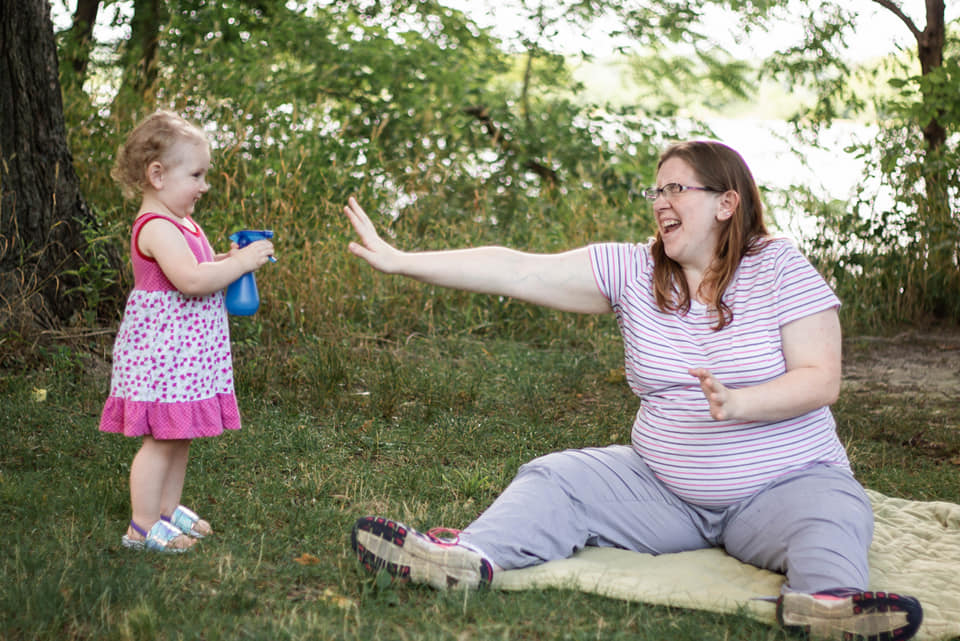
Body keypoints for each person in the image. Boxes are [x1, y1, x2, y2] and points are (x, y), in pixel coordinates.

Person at [343, 140, 923, 641]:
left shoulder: (779, 267)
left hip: (783, 485)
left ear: (727, 203)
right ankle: (463, 559)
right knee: (557, 476)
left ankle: (828, 608)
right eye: (655, 191)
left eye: (676, 188)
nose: (660, 203)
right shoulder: (630, 270)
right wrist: (401, 262)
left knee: (833, 512)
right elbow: (516, 269)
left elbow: (822, 379)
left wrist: (742, 403)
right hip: (663, 491)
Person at [99, 110, 275, 553]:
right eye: (196, 175)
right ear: (157, 175)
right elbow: (190, 281)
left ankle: (166, 510)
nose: (204, 185)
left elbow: (199, 268)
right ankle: (141, 528)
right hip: (162, 355)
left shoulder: (183, 222)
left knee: (179, 436)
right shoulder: (155, 226)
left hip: (185, 355)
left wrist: (224, 259)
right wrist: (241, 264)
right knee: (159, 440)